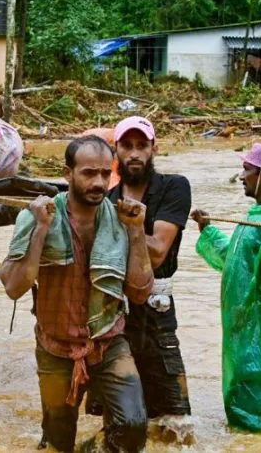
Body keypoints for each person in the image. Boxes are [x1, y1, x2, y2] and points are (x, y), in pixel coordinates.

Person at [0, 135, 154, 453]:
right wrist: (42, 230)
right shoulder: (36, 216)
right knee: (58, 441)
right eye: (88, 173)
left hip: (108, 341)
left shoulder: (122, 220)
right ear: (67, 174)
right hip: (56, 347)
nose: (98, 182)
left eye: (104, 173)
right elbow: (14, 287)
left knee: (134, 427)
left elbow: (139, 293)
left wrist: (137, 231)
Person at [80, 117, 194, 442]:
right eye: (126, 146)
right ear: (116, 150)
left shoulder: (174, 187)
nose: (134, 153)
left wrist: (127, 224)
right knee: (113, 423)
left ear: (154, 148)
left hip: (157, 313)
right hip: (110, 314)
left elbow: (157, 252)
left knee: (176, 425)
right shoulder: (104, 198)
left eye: (141, 145)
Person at [192, 143, 261, 432]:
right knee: (244, 397)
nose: (241, 176)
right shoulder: (256, 217)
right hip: (243, 330)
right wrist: (207, 229)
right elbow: (234, 260)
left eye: (247, 170)